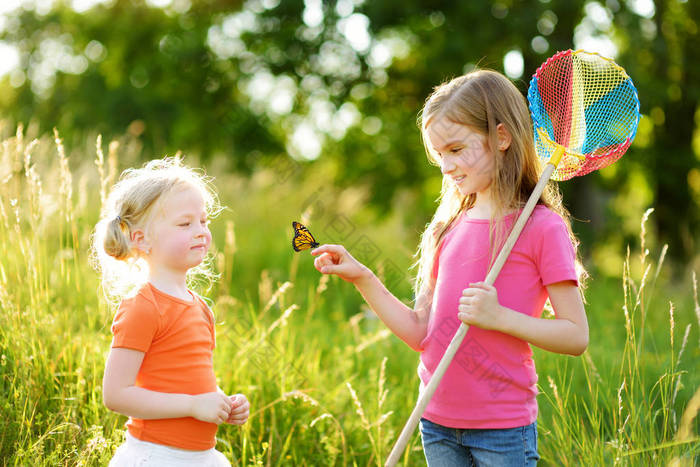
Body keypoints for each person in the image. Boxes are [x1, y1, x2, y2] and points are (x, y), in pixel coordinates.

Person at [310, 69, 588, 466]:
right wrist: (364, 278)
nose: (445, 165)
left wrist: (499, 317)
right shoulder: (447, 227)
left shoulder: (541, 227)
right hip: (436, 421)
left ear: (502, 138)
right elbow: (421, 331)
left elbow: (575, 336)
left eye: (456, 150)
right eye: (439, 154)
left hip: (502, 429)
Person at [92, 157, 250, 466]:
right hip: (156, 455)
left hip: (202, 457)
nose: (201, 230)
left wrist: (222, 401)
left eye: (203, 221)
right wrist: (193, 405)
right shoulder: (143, 305)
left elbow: (190, 378)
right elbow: (116, 395)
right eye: (184, 223)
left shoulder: (201, 307)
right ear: (141, 239)